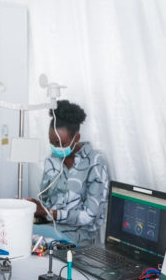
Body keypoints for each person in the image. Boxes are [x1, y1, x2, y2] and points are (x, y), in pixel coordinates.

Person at [28, 100, 109, 245]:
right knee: (16, 235)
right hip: (50, 228)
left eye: (61, 143)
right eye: (52, 142)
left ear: (76, 138)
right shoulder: (52, 161)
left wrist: (49, 213)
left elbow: (89, 215)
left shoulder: (94, 162)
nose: (56, 148)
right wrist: (34, 207)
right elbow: (46, 200)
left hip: (78, 237)